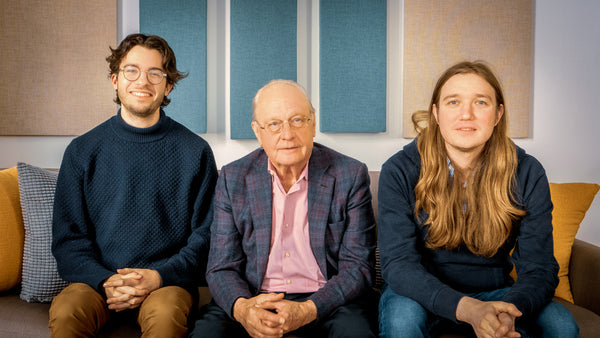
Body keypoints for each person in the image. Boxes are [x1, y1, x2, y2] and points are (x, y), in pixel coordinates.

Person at [377, 61, 579, 338]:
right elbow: (398, 265)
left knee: (561, 324)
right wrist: (467, 309)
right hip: (421, 294)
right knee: (402, 321)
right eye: (453, 102)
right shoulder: (399, 170)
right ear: (436, 113)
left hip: (499, 293)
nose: (466, 115)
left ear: (498, 114)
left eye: (481, 102)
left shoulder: (527, 171)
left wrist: (508, 312)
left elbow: (540, 267)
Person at [49, 33, 218, 337]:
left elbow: (206, 239)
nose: (143, 81)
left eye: (155, 73)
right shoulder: (82, 150)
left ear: (168, 86)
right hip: (97, 283)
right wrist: (105, 280)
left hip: (167, 284)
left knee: (166, 319)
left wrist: (157, 277)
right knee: (65, 313)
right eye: (132, 71)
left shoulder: (196, 152)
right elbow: (67, 239)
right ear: (115, 79)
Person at [190, 79, 377, 338]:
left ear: (313, 123)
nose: (287, 134)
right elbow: (221, 266)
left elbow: (358, 267)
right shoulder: (233, 178)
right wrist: (244, 309)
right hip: (254, 296)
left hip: (327, 299)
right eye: (274, 124)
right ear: (258, 131)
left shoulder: (350, 174)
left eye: (297, 120)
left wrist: (309, 309)